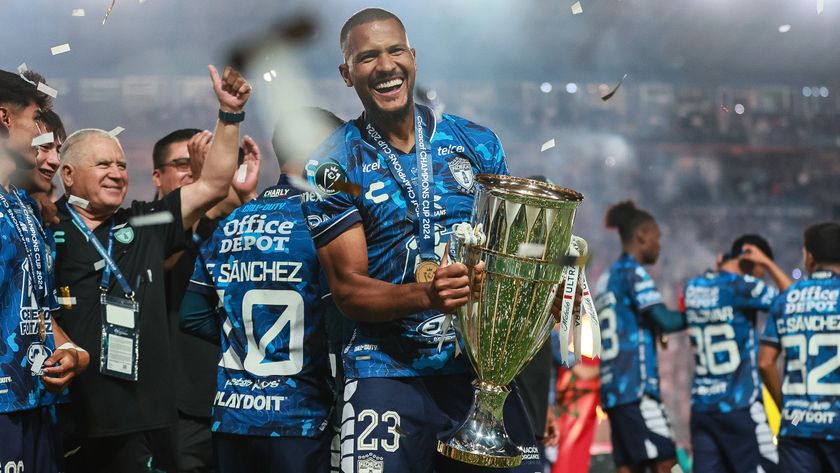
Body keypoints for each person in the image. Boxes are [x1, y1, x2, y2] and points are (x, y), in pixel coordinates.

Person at [302, 8, 542, 473]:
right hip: (386, 373)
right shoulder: (331, 164)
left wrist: (545, 289)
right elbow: (348, 289)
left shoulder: (477, 143)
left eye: (395, 51)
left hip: (480, 372)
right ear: (346, 74)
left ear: (413, 57)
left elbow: (507, 254)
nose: (385, 66)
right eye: (367, 57)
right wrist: (427, 294)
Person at [52, 65, 251, 473]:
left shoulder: (141, 224)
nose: (117, 173)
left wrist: (229, 115)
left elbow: (213, 184)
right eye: (103, 164)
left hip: (146, 421)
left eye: (122, 165)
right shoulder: (42, 228)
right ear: (68, 175)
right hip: (69, 417)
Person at [179, 108, 344, 473]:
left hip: (233, 415)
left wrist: (244, 341)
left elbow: (191, 316)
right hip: (299, 414)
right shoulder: (329, 225)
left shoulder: (231, 221)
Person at [153, 127, 261, 473]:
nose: (194, 171)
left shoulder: (241, 226)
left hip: (248, 400)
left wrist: (247, 198)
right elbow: (169, 262)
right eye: (182, 163)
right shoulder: (141, 224)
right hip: (182, 408)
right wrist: (202, 190)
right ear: (157, 176)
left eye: (216, 164)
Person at [0, 69, 87, 473]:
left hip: (33, 400)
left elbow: (34, 305)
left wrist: (69, 349)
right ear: (4, 118)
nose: (42, 131)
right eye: (37, 118)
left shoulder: (24, 205)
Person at [684, 234, 790, 473]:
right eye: (761, 272)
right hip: (738, 406)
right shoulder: (742, 286)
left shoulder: (693, 287)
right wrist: (770, 264)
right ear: (753, 261)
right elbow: (796, 301)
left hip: (702, 408)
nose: (760, 279)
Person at [595, 200, 685, 473]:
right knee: (667, 461)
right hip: (636, 389)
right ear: (641, 236)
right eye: (657, 238)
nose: (659, 245)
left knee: (627, 465)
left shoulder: (606, 279)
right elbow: (665, 320)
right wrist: (702, 311)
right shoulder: (633, 273)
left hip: (613, 390)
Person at [759, 222, 840, 473]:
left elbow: (765, 362)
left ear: (809, 256)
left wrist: (788, 408)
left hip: (797, 425)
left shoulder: (787, 300)